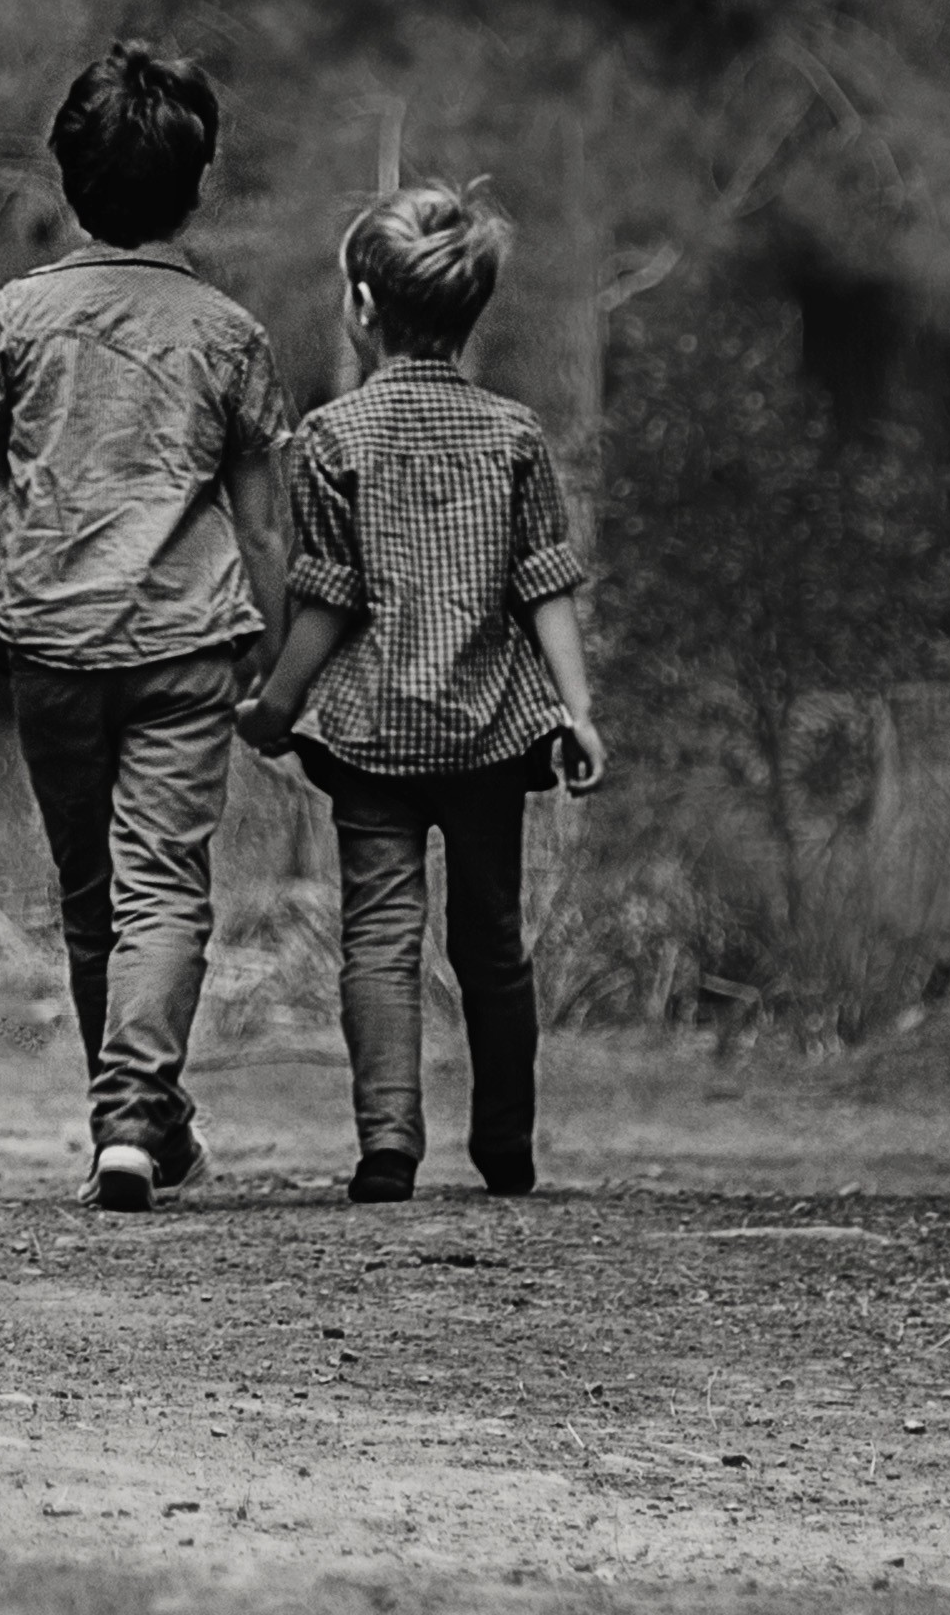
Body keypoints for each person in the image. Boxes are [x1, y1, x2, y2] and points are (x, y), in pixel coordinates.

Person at [0, 34, 282, 1211]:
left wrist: (22, 582)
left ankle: (127, 1125)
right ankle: (139, 1117)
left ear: (66, 179)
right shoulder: (229, 335)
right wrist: (273, 655)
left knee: (93, 898)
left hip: (52, 652)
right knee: (166, 890)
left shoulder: (14, 316)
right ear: (196, 184)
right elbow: (262, 525)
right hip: (187, 645)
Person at [229, 179, 602, 1203]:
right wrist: (575, 707)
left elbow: (326, 599)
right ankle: (506, 1144)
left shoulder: (335, 437)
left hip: (372, 736)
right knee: (491, 941)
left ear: (361, 303)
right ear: (470, 307)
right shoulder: (516, 434)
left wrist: (273, 704)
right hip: (489, 732)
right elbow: (545, 585)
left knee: (378, 940)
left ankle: (387, 1146)